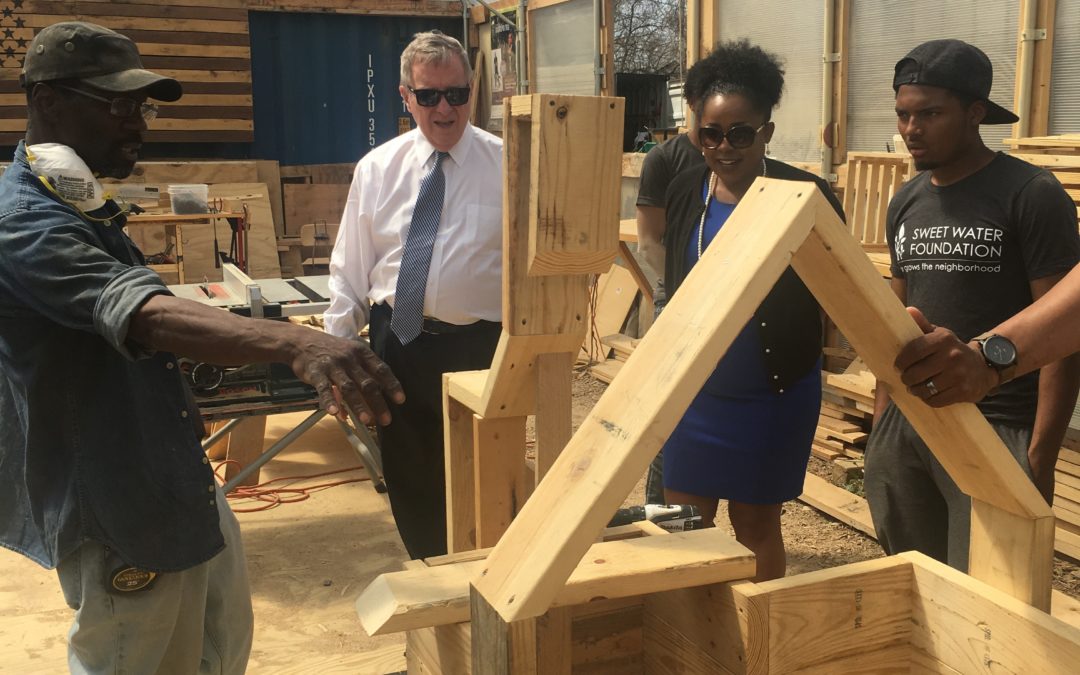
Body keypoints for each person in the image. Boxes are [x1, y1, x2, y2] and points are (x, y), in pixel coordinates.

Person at [0, 21, 403, 674]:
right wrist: (294, 341)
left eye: (144, 105)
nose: (139, 123)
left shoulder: (77, 198)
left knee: (216, 650)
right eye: (118, 104)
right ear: (47, 100)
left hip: (175, 480)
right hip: (119, 504)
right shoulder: (24, 222)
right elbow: (143, 314)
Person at [865, 39, 1080, 571]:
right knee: (913, 578)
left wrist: (1039, 456)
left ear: (975, 112)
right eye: (903, 114)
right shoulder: (905, 202)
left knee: (991, 592)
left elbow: (1064, 335)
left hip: (999, 425)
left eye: (930, 114)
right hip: (910, 424)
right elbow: (896, 324)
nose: (911, 129)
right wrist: (882, 430)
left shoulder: (1030, 193)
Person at [659, 40, 845, 582]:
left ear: (766, 129)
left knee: (755, 525)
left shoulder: (805, 193)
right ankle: (691, 638)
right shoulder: (685, 191)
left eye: (741, 133)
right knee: (681, 524)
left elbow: (837, 289)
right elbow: (672, 277)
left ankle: (757, 647)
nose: (724, 146)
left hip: (773, 395)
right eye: (710, 133)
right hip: (694, 395)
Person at [325, 31, 503, 560]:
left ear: (473, 92)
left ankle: (480, 582)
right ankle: (430, 573)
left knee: (484, 475)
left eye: (457, 94)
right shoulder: (377, 169)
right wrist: (334, 356)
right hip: (397, 346)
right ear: (406, 97)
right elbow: (350, 269)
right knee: (410, 473)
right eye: (429, 96)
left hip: (479, 348)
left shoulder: (510, 167)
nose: (445, 109)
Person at [636, 66, 710, 505]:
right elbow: (649, 243)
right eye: (700, 113)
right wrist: (694, 293)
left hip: (736, 301)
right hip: (680, 297)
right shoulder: (664, 160)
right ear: (689, 106)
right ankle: (658, 510)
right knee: (667, 414)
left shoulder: (745, 159)